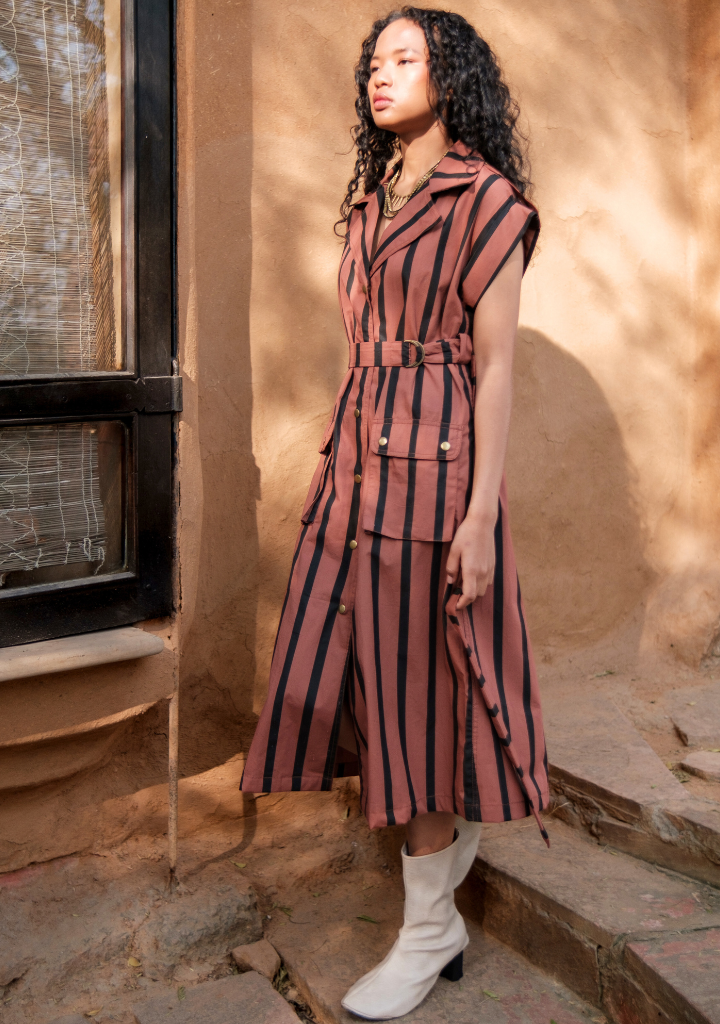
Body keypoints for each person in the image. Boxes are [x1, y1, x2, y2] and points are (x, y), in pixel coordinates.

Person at [241, 7, 550, 1019]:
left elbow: (497, 367)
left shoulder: (487, 199)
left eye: (406, 60)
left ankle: (425, 931)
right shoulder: (372, 196)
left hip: (436, 467)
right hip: (355, 464)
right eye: (375, 63)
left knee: (418, 696)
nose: (382, 77)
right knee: (362, 682)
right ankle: (446, 882)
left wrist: (477, 519)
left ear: (450, 78)